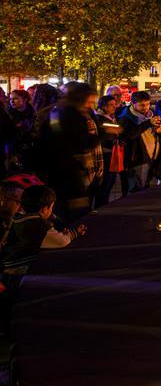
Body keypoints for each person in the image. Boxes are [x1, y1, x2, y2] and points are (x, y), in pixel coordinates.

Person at [0, 185, 85, 327]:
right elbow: (60, 241)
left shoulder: (19, 218)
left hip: (5, 270)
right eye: (51, 207)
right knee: (14, 306)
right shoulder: (37, 225)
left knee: (8, 305)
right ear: (44, 209)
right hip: (16, 274)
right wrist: (73, 233)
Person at [46, 82, 102, 223]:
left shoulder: (57, 112)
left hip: (61, 169)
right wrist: (104, 134)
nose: (91, 105)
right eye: (89, 101)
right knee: (73, 212)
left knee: (66, 209)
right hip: (69, 170)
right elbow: (81, 142)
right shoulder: (72, 115)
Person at [117, 91, 161, 194]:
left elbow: (158, 134)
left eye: (148, 104)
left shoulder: (150, 115)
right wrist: (148, 123)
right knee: (136, 189)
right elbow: (128, 135)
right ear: (133, 104)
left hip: (152, 156)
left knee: (146, 187)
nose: (146, 107)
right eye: (142, 105)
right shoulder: (125, 118)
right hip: (137, 159)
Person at [93, 95, 122, 207]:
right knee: (105, 184)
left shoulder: (111, 117)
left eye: (115, 105)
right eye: (111, 105)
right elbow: (104, 135)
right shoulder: (99, 119)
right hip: (105, 155)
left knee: (110, 183)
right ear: (103, 106)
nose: (114, 107)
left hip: (112, 153)